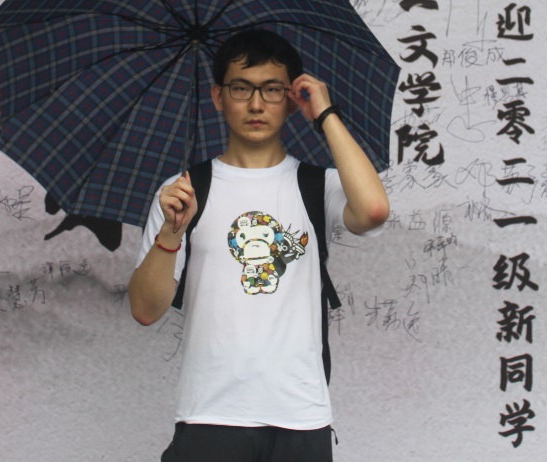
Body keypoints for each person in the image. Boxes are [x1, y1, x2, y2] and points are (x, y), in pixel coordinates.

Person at [129, 28, 391, 462]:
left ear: (291, 98)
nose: (255, 104)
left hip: (300, 416)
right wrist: (171, 233)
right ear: (218, 96)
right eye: (241, 88)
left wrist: (325, 114)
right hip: (210, 415)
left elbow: (375, 211)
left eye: (272, 90)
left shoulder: (316, 185)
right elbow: (145, 309)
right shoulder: (185, 192)